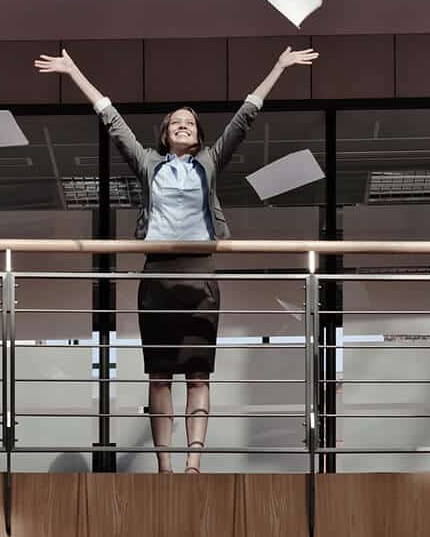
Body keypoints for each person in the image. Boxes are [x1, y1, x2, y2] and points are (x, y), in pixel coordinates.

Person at [34, 45, 318, 473]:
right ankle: (165, 464)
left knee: (200, 374)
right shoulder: (150, 165)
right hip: (158, 280)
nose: (183, 127)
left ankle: (193, 463)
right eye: (176, 124)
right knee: (160, 375)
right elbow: (112, 121)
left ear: (198, 136)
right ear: (165, 134)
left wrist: (278, 65)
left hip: (200, 278)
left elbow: (245, 117)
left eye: (189, 124)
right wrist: (73, 70)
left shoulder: (209, 162)